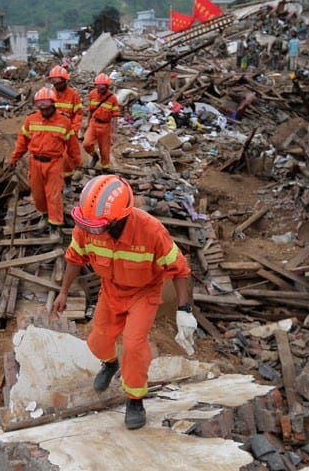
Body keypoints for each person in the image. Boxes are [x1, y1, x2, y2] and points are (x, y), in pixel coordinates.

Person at [53, 175, 196, 430]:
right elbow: (75, 257)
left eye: (97, 227)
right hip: (111, 291)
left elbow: (180, 270)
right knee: (98, 341)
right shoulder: (88, 226)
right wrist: (63, 291)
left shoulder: (151, 232)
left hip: (144, 293)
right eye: (88, 225)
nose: (91, 231)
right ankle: (110, 363)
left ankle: (135, 399)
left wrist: (184, 311)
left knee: (133, 344)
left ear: (120, 218)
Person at [9, 87, 81, 231]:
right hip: (35, 162)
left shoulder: (64, 122)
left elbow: (72, 145)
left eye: (47, 108)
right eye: (42, 108)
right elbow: (22, 142)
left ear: (53, 104)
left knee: (53, 194)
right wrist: (14, 159)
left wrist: (77, 162)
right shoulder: (31, 120)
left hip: (54, 163)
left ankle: (54, 225)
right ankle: (44, 215)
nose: (45, 111)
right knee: (38, 194)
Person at [49, 65, 84, 195]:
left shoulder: (73, 95)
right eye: (54, 82)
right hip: (52, 132)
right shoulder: (50, 94)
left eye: (58, 82)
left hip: (68, 133)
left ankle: (68, 183)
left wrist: (74, 129)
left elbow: (78, 114)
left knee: (66, 158)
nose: (56, 85)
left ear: (65, 81)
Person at [84, 73, 119, 171]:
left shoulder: (112, 98)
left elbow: (115, 116)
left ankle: (104, 169)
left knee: (104, 150)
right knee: (86, 144)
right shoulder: (92, 94)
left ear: (107, 86)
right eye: (99, 85)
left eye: (103, 86)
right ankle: (94, 156)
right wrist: (87, 123)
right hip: (93, 123)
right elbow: (91, 110)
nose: (101, 88)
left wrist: (114, 132)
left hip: (105, 126)